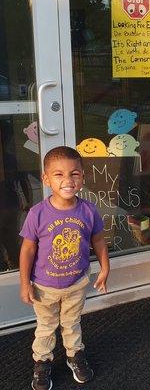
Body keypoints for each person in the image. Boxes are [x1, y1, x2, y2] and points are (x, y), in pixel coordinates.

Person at [19, 146, 110, 390]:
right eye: (58, 174)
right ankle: (42, 362)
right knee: (46, 327)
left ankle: (74, 355)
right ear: (46, 179)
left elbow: (98, 240)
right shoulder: (37, 214)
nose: (67, 180)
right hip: (44, 287)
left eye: (74, 174)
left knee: (72, 323)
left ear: (82, 176)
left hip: (76, 284)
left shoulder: (89, 211)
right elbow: (27, 250)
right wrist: (24, 282)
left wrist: (104, 267)